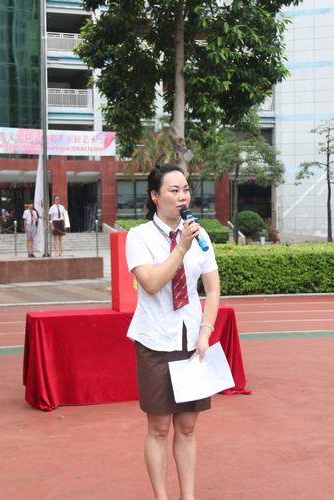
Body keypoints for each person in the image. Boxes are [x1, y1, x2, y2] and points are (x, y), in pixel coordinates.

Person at [125, 164, 220, 500]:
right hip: (155, 340)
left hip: (192, 339)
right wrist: (180, 247)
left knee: (188, 427)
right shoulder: (139, 236)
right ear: (155, 196)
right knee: (159, 427)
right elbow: (150, 283)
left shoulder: (200, 235)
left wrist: (205, 331)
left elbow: (213, 288)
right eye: (174, 190)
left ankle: (188, 497)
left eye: (186, 190)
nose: (183, 197)